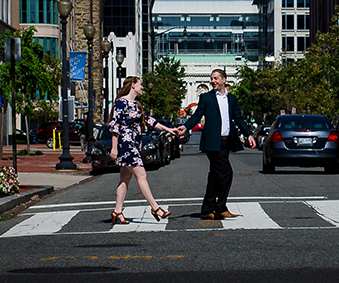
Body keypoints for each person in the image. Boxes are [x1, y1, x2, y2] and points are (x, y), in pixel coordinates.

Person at [176, 68, 255, 220]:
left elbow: (238, 118)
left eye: (215, 78)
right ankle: (220, 207)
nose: (212, 81)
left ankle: (207, 209)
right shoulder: (206, 97)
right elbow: (197, 115)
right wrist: (185, 127)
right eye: (211, 78)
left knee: (215, 175)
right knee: (227, 173)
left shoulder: (232, 99)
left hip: (225, 142)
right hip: (212, 142)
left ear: (224, 80)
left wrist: (248, 134)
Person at [107, 76, 181, 225]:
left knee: (124, 179)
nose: (143, 88)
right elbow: (115, 125)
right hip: (125, 144)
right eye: (141, 85)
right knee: (142, 175)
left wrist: (169, 129)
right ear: (133, 85)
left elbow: (150, 121)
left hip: (134, 143)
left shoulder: (138, 105)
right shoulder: (121, 102)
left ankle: (118, 211)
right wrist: (114, 147)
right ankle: (155, 207)